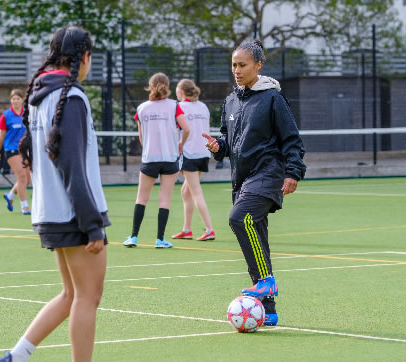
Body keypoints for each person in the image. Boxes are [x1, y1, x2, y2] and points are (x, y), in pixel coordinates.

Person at [0, 26, 130, 362]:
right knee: (87, 297)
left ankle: (12, 361)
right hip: (73, 213)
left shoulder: (40, 94)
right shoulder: (72, 96)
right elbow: (71, 164)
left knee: (71, 295)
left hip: (50, 210)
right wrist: (92, 222)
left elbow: (37, 154)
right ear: (83, 58)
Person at [203, 40, 306, 326]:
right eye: (234, 65)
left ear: (258, 66)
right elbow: (229, 142)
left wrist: (293, 172)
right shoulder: (231, 101)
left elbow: (292, 139)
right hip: (242, 179)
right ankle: (269, 310)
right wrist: (217, 147)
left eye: (243, 65)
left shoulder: (273, 98)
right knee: (257, 238)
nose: (236, 70)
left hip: (268, 174)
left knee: (240, 218)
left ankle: (267, 282)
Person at [123, 72, 190, 249]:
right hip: (169, 159)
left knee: (141, 198)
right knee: (164, 199)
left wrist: (148, 147)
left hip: (149, 159)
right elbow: (186, 128)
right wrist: (180, 142)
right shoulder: (174, 106)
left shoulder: (142, 108)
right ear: (167, 86)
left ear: (150, 87)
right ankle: (160, 239)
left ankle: (134, 237)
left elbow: (141, 136)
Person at [171, 79, 215, 241]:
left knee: (196, 192)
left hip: (189, 154)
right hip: (203, 153)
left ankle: (210, 230)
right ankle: (187, 230)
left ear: (181, 92)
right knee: (186, 191)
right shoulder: (203, 107)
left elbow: (177, 130)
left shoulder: (179, 107)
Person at [0, 90, 32, 214]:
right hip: (11, 149)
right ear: (11, 100)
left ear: (22, 100)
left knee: (27, 180)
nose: (15, 101)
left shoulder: (27, 113)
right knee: (21, 175)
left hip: (24, 149)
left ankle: (10, 195)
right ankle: (24, 206)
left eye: (18, 98)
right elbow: (1, 136)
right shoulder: (5, 116)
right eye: (13, 99)